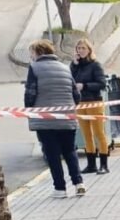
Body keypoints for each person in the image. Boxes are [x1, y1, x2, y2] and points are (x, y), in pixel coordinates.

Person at [25, 39, 85, 198]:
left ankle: (60, 188)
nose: (31, 56)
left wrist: (30, 110)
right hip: (67, 117)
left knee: (52, 154)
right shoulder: (65, 68)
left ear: (37, 52)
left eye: (31, 53)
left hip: (46, 120)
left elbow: (30, 93)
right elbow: (76, 95)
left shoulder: (34, 68)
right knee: (70, 151)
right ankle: (79, 183)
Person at [71, 38, 109, 175]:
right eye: (78, 48)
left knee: (99, 133)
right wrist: (74, 65)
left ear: (89, 50)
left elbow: (102, 83)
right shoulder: (76, 65)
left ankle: (104, 164)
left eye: (83, 48)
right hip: (81, 102)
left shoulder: (95, 65)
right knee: (86, 134)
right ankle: (91, 164)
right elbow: (71, 79)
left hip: (94, 101)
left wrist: (85, 86)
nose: (80, 51)